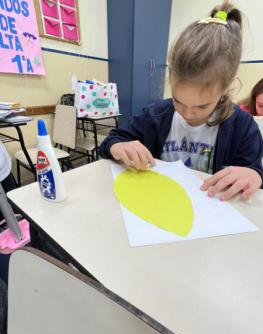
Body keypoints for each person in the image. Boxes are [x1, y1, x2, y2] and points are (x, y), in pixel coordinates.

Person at [99, 1, 263, 201]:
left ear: (225, 89)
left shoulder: (242, 125)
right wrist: (117, 146)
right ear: (170, 79)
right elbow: (111, 140)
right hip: (160, 203)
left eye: (202, 106)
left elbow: (253, 172)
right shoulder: (154, 115)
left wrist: (254, 175)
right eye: (178, 101)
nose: (187, 113)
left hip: (211, 212)